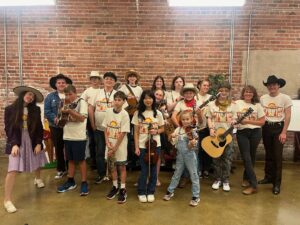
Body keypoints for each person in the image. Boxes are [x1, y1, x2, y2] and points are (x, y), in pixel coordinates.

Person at [4, 86, 47, 213]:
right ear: (23, 94)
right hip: (17, 140)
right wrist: (14, 144)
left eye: (32, 96)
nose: (30, 97)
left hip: (32, 138)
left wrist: (39, 143)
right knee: (13, 168)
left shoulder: (35, 110)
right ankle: (7, 200)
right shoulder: (10, 109)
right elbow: (8, 129)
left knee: (38, 157)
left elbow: (39, 127)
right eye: (29, 94)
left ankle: (37, 178)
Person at [258, 75, 292, 195]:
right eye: (269, 85)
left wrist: (284, 132)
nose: (271, 86)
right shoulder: (263, 98)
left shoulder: (285, 98)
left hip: (279, 127)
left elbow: (288, 116)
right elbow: (261, 114)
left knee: (277, 156)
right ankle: (268, 177)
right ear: (267, 86)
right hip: (266, 127)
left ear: (278, 85)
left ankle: (276, 183)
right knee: (269, 154)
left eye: (274, 84)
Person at [132, 90, 165, 203]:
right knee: (144, 170)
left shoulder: (158, 113)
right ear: (142, 100)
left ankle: (151, 191)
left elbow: (162, 128)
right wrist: (136, 147)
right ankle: (141, 191)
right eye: (145, 98)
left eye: (150, 98)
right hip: (142, 145)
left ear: (153, 99)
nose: (148, 100)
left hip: (155, 145)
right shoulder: (138, 113)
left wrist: (156, 131)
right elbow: (136, 132)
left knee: (154, 170)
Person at [163, 110, 200, 207]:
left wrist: (191, 143)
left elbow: (193, 145)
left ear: (191, 119)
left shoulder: (193, 131)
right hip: (180, 155)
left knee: (193, 175)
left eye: (187, 119)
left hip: (190, 156)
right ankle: (170, 191)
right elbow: (172, 141)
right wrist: (171, 136)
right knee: (177, 173)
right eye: (183, 119)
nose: (185, 121)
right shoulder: (178, 130)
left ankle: (196, 196)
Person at [57, 85, 89, 196]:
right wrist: (58, 118)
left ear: (75, 93)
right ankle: (70, 181)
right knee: (70, 160)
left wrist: (70, 111)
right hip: (67, 135)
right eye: (66, 94)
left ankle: (84, 182)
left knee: (80, 160)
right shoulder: (63, 103)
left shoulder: (81, 102)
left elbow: (82, 118)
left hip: (79, 136)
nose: (68, 96)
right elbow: (60, 118)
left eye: (70, 94)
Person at [171, 83, 202, 188]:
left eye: (190, 92)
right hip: (183, 133)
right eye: (186, 92)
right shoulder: (180, 103)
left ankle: (194, 177)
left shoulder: (199, 103)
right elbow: (173, 116)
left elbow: (201, 121)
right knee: (183, 154)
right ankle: (184, 177)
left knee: (194, 155)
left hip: (194, 132)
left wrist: (199, 113)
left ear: (194, 93)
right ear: (183, 94)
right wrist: (180, 128)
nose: (188, 94)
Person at [235, 85, 265, 195]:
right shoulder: (237, 103)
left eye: (250, 92)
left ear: (254, 94)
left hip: (256, 132)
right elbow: (233, 116)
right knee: (246, 157)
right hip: (242, 132)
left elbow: (262, 122)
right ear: (243, 93)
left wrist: (248, 121)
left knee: (251, 157)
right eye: (246, 92)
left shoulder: (257, 105)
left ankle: (247, 179)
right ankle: (254, 184)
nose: (248, 94)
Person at [207, 81, 236, 192]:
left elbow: (235, 118)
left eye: (226, 90)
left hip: (228, 135)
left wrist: (234, 122)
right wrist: (211, 129)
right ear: (218, 92)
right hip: (215, 135)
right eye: (221, 90)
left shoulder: (233, 105)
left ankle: (225, 180)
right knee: (216, 158)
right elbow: (209, 118)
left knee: (227, 158)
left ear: (229, 92)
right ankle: (217, 179)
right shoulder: (212, 104)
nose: (223, 92)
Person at [89, 72, 118, 184]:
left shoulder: (117, 94)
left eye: (111, 79)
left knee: (113, 152)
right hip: (99, 128)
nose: (109, 81)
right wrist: (92, 123)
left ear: (114, 82)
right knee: (100, 152)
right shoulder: (97, 93)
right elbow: (91, 108)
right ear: (103, 80)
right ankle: (101, 174)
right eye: (107, 79)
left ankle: (113, 174)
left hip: (113, 129)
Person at [103, 91, 130, 203]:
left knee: (121, 167)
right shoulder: (108, 111)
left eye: (120, 100)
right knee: (112, 166)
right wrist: (107, 143)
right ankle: (115, 186)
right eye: (116, 99)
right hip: (109, 144)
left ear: (124, 102)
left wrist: (114, 148)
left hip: (120, 146)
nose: (117, 102)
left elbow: (123, 133)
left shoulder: (124, 114)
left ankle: (123, 189)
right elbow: (105, 128)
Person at [44, 73, 72, 179]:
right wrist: (54, 118)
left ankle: (70, 168)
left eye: (63, 82)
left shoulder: (70, 95)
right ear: (55, 85)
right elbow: (47, 111)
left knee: (69, 147)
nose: (61, 84)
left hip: (69, 126)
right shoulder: (50, 97)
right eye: (59, 83)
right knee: (59, 148)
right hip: (55, 127)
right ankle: (61, 169)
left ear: (66, 84)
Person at [119, 70, 143, 170]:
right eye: (130, 77)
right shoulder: (123, 88)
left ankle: (136, 159)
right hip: (127, 115)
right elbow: (120, 99)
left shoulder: (140, 89)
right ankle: (128, 159)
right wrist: (127, 100)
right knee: (127, 137)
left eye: (134, 77)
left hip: (136, 114)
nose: (132, 78)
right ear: (128, 78)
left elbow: (141, 102)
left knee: (137, 135)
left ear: (136, 78)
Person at [81, 71, 102, 170]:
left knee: (100, 140)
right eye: (93, 79)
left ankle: (101, 160)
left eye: (97, 78)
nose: (95, 80)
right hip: (90, 118)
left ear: (99, 80)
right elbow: (81, 103)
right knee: (92, 140)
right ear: (90, 80)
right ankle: (93, 160)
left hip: (100, 117)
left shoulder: (102, 91)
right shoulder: (87, 91)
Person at [196, 79, 213, 179]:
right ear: (199, 86)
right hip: (198, 126)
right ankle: (199, 168)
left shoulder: (211, 97)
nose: (206, 87)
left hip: (209, 126)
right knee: (199, 149)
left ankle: (206, 169)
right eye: (204, 85)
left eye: (207, 85)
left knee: (208, 148)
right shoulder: (195, 97)